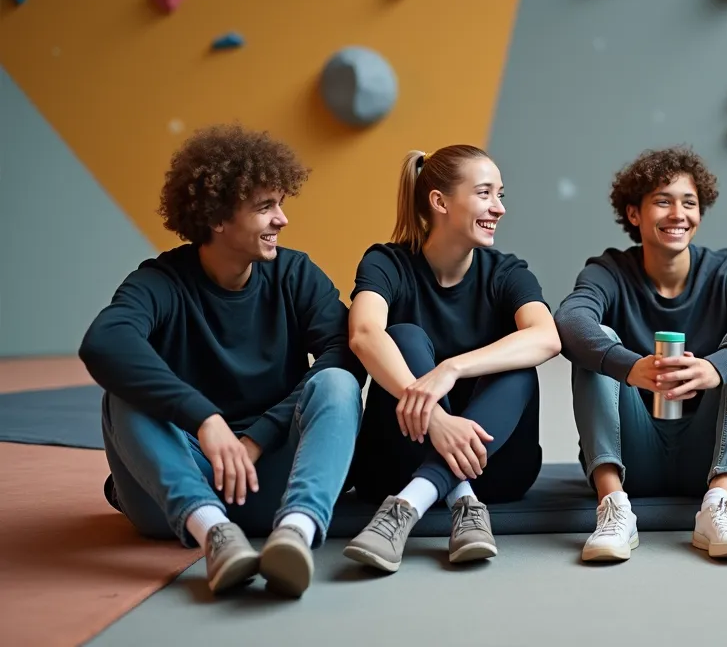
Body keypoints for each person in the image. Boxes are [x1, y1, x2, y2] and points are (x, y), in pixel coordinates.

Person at [80, 124, 366, 599]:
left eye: (281, 204)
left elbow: (345, 351)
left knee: (337, 380)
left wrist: (258, 436)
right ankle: (216, 535)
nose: (282, 219)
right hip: (178, 497)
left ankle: (296, 532)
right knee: (124, 393)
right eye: (265, 208)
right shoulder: (162, 282)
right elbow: (104, 343)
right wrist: (205, 420)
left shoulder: (295, 275)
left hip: (271, 482)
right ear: (217, 218)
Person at [555, 146, 727, 562]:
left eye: (689, 203)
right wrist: (630, 366)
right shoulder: (609, 270)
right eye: (662, 202)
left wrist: (715, 369)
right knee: (597, 338)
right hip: (634, 456)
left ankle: (718, 507)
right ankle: (613, 510)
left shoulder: (724, 269)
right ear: (634, 214)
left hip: (711, 456)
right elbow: (571, 319)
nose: (678, 214)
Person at [341, 145, 559, 572]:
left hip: (493, 468)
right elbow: (364, 333)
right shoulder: (387, 263)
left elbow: (546, 337)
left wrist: (451, 368)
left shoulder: (505, 271)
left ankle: (411, 502)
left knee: (519, 366)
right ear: (439, 202)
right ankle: (459, 498)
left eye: (500, 195)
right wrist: (438, 423)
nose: (498, 208)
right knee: (402, 336)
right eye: (484, 194)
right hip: (396, 461)